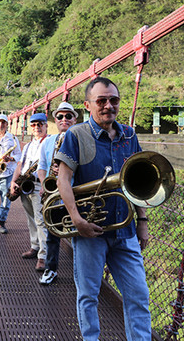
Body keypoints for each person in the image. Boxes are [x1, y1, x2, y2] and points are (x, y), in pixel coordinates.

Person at [55, 77, 150, 340]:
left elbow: (140, 180)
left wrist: (142, 222)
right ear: (88, 105)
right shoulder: (76, 134)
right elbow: (63, 179)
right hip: (89, 231)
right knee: (88, 296)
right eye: (101, 101)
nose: (109, 105)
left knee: (139, 296)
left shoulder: (129, 135)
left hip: (125, 230)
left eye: (114, 100)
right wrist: (76, 220)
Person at [36, 101, 78, 285]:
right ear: (55, 119)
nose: (64, 119)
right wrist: (46, 184)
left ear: (75, 119)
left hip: (76, 193)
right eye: (60, 116)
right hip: (54, 195)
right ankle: (50, 269)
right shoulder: (48, 142)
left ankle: (82, 273)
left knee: (79, 235)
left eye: (68, 116)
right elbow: (41, 166)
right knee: (52, 234)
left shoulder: (81, 139)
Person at [11, 112, 48, 272]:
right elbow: (20, 164)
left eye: (40, 124)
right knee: (31, 218)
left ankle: (43, 256)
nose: (37, 127)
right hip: (25, 184)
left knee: (40, 220)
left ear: (46, 125)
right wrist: (13, 181)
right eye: (33, 125)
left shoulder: (50, 142)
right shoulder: (28, 145)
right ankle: (34, 246)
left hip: (39, 184)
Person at [0, 113, 21, 234]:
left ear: (7, 124)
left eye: (3, 122)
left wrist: (10, 159)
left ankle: (1, 222)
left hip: (6, 174)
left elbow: (19, 155)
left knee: (6, 202)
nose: (1, 124)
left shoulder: (13, 138)